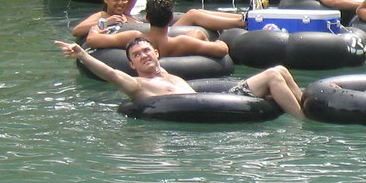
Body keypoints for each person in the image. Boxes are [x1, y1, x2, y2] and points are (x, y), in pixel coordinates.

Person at [55, 37, 306, 119]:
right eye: (136, 55)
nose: (143, 56)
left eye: (146, 51)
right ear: (132, 64)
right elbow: (110, 73)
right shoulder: (138, 85)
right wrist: (82, 55)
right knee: (273, 75)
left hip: (219, 100)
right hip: (204, 109)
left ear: (156, 53)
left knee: (280, 69)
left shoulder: (167, 74)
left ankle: (312, 105)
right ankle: (304, 122)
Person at [85, 0, 230, 58]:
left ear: (147, 17)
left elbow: (92, 40)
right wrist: (219, 40)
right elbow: (222, 49)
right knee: (198, 34)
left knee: (195, 34)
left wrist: (99, 26)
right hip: (181, 60)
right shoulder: (183, 42)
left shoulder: (135, 38)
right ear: (171, 18)